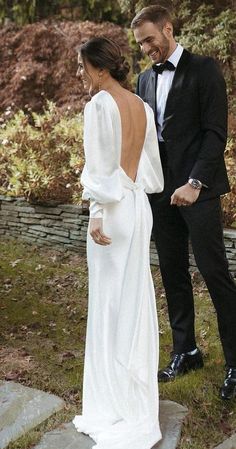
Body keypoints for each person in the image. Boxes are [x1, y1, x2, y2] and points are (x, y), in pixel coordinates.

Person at [131, 5, 236, 401]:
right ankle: (186, 351)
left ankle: (235, 362)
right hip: (159, 193)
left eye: (150, 40)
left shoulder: (205, 69)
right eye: (140, 43)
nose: (146, 49)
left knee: (214, 274)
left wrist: (195, 182)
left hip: (199, 191)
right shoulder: (143, 80)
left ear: (168, 29)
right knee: (173, 273)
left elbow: (214, 133)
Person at [72, 37, 164, 449]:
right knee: (133, 298)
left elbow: (99, 166)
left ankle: (110, 403)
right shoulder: (142, 106)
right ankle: (134, 398)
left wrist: (95, 214)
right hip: (138, 208)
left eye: (83, 67)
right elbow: (148, 169)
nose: (81, 75)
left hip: (111, 210)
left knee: (108, 305)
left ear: (100, 68)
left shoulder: (99, 106)